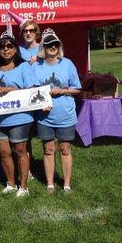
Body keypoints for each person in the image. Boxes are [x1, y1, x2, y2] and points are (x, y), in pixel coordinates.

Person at [0, 32, 37, 197]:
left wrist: (12, 90)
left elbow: (31, 91)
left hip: (20, 117)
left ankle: (23, 187)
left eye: (10, 46)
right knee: (3, 152)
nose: (6, 49)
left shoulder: (24, 67)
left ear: (16, 49)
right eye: (2, 46)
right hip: (0, 118)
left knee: (19, 150)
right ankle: (10, 183)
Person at [33, 28, 81, 193]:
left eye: (54, 44)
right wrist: (39, 104)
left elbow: (77, 89)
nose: (51, 47)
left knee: (65, 149)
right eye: (48, 44)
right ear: (43, 47)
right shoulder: (36, 66)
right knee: (48, 149)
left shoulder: (68, 64)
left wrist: (62, 91)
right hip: (45, 116)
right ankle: (50, 184)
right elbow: (32, 90)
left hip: (65, 115)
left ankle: (66, 184)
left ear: (58, 46)